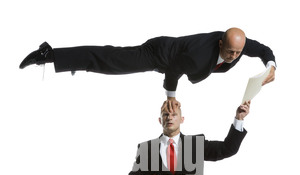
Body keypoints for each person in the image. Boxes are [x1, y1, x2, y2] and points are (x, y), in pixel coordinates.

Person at [19, 28, 275, 110]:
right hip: (159, 55)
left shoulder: (239, 44)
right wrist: (171, 99)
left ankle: (66, 58)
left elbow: (262, 49)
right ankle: (49, 54)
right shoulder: (200, 56)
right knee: (109, 61)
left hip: (173, 55)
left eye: (238, 52)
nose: (233, 56)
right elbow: (173, 70)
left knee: (109, 58)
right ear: (222, 43)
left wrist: (271, 65)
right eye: (230, 51)